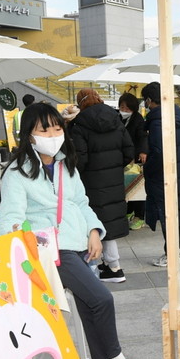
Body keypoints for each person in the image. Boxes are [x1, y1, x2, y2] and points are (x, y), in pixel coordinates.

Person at [0, 104, 151, 359]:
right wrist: (31, 245)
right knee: (102, 299)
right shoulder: (16, 173)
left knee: (88, 306)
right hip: (51, 251)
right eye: (44, 130)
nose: (53, 135)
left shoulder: (67, 165)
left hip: (79, 245)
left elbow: (81, 203)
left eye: (57, 128)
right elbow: (10, 219)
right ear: (28, 135)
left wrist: (94, 231)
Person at [69, 88, 134, 283]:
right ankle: (113, 265)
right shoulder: (115, 119)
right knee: (109, 221)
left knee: (93, 222)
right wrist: (114, 167)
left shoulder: (79, 124)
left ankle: (102, 267)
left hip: (90, 180)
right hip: (113, 178)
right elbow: (129, 150)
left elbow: (80, 158)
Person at [140, 81, 180, 266]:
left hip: (163, 176)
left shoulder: (158, 121)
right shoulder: (177, 115)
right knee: (179, 210)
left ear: (149, 100)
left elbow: (158, 152)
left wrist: (147, 168)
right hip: (178, 171)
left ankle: (171, 255)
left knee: (168, 215)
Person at [119, 91, 149, 230]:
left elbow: (142, 136)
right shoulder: (117, 117)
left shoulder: (138, 119)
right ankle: (128, 211)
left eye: (127, 108)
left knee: (137, 187)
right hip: (122, 158)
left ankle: (139, 216)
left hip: (135, 157)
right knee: (126, 188)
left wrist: (143, 151)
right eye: (122, 107)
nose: (124, 111)